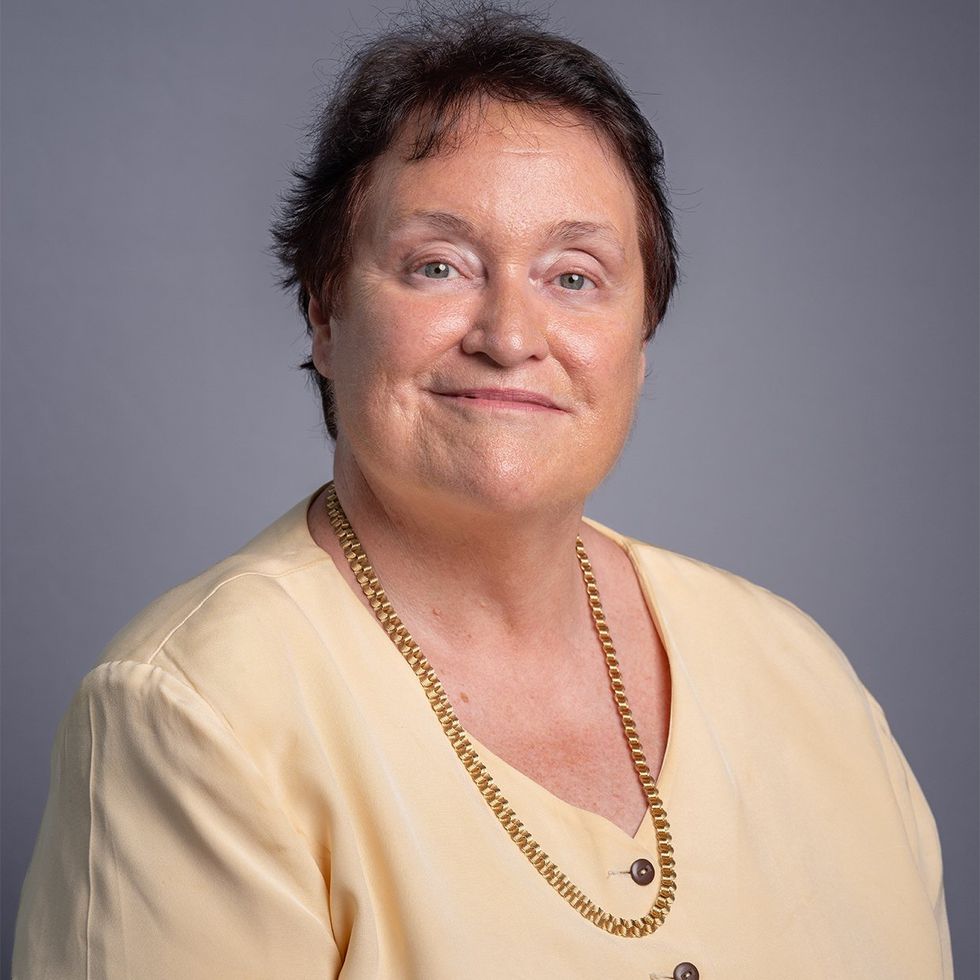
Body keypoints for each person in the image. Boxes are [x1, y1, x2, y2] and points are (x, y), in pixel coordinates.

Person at [13, 6, 952, 978]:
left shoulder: (803, 678)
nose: (509, 332)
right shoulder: (198, 713)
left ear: (640, 340)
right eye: (438, 265)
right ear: (327, 314)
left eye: (574, 276)